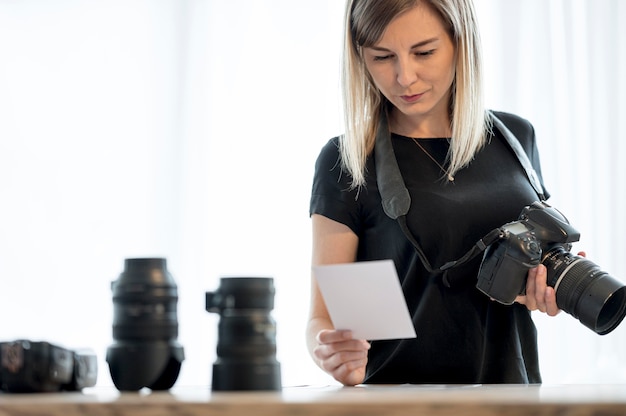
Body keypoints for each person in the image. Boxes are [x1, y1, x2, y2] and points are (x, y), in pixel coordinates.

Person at [307, 0, 571, 386]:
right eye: (382, 57)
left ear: (460, 43)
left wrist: (541, 288)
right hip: (397, 403)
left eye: (424, 52)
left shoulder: (516, 138)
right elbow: (323, 318)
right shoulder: (347, 160)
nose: (405, 77)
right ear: (359, 58)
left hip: (512, 397)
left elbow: (526, 269)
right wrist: (328, 350)